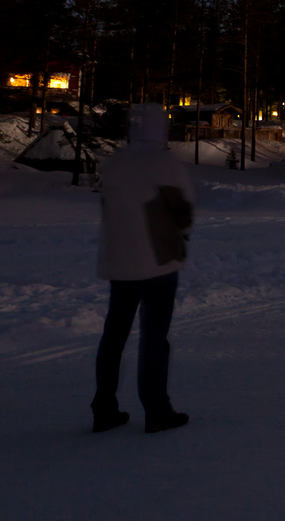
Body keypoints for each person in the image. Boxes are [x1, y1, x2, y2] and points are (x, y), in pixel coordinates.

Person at [90, 103, 196, 433]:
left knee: (114, 335)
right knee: (154, 337)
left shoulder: (116, 161)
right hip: (157, 260)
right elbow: (182, 210)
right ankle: (157, 409)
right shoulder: (163, 162)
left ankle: (104, 408)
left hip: (119, 260)